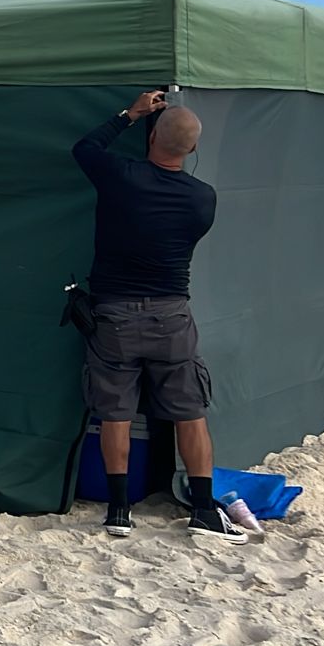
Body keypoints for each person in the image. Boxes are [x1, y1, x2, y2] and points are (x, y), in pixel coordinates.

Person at [73, 90, 244, 544]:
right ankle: (204, 512)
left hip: (113, 316)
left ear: (152, 140)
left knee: (116, 414)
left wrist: (130, 114)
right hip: (171, 315)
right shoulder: (202, 199)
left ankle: (119, 511)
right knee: (190, 413)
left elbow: (84, 149)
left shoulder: (121, 177)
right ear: (191, 150)